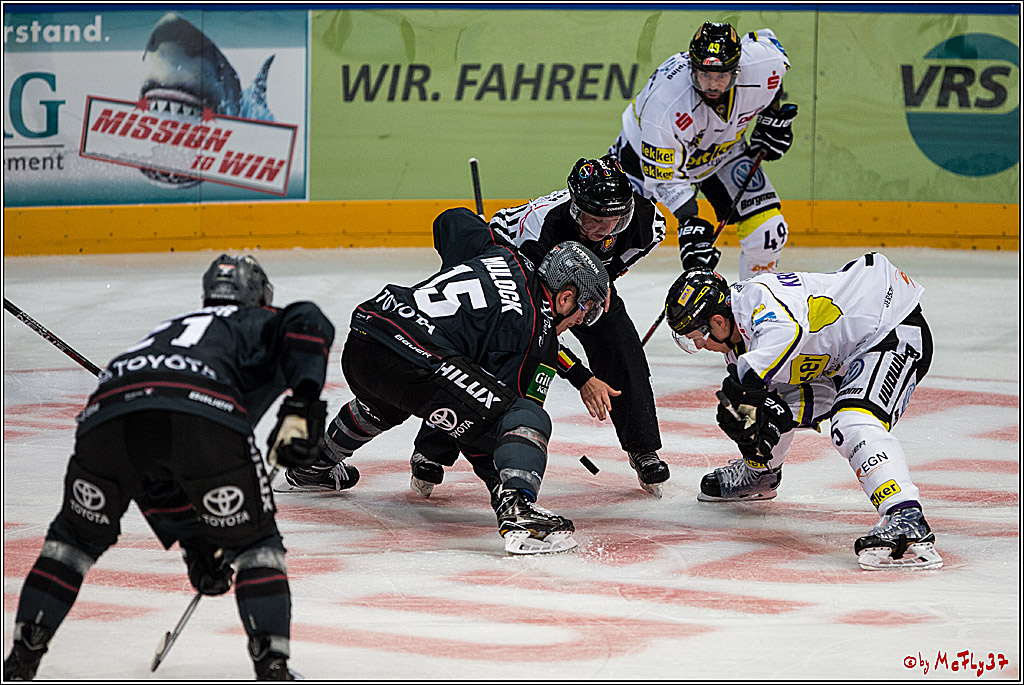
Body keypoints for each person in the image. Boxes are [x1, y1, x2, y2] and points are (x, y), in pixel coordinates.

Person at [3, 255, 335, 681]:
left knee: (72, 543)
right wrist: (303, 404)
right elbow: (308, 319)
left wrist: (196, 540)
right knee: (255, 545)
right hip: (202, 412)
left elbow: (156, 469)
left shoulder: (169, 328)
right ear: (260, 297)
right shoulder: (259, 320)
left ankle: (21, 660)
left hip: (107, 417)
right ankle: (272, 666)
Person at [281, 208, 611, 555]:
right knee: (525, 416)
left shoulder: (501, 254)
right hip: (414, 359)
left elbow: (450, 220)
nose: (581, 321)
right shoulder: (533, 334)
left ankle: (313, 465)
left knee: (383, 406)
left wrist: (485, 244)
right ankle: (519, 512)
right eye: (585, 310)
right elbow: (491, 428)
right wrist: (504, 485)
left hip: (367, 335)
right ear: (565, 297)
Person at [404, 155, 672, 498]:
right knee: (498, 357)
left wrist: (598, 287)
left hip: (582, 276)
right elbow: (536, 329)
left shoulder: (648, 224)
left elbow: (610, 267)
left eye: (612, 222)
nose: (601, 231)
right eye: (592, 220)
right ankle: (432, 448)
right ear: (574, 206)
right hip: (523, 269)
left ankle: (642, 446)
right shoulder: (538, 229)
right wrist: (580, 375)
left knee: (621, 344)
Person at [663, 254, 942, 570]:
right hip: (841, 357)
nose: (699, 346)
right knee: (765, 405)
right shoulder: (739, 343)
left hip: (890, 327)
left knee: (852, 421)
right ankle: (762, 474)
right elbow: (769, 394)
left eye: (696, 337)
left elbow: (786, 333)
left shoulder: (758, 299)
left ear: (717, 322)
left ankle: (905, 515)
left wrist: (747, 387)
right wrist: (760, 427)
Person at [610, 21, 797, 279]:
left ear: (737, 70)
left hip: (721, 152)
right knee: (609, 233)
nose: (712, 85)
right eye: (705, 75)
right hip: (641, 157)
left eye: (721, 76)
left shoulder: (763, 64)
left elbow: (769, 57)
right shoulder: (666, 105)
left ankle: (757, 299)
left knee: (768, 233)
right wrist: (690, 223)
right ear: (692, 68)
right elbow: (665, 178)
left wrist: (771, 116)